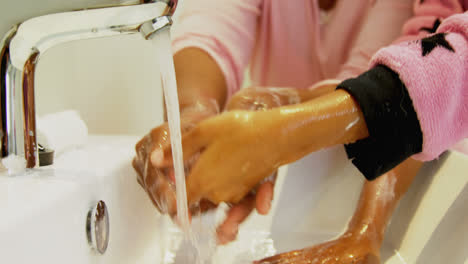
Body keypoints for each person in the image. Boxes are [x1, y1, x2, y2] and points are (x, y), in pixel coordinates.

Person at [134, 0, 467, 263]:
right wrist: (194, 125)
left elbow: (419, 64)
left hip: (424, 185)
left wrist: (282, 130)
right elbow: (209, 30)